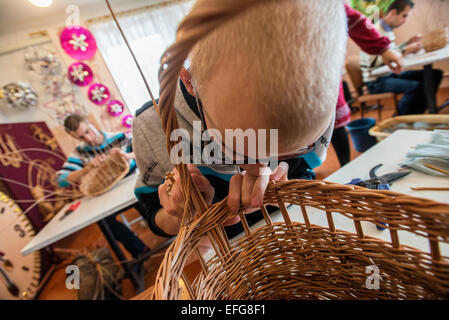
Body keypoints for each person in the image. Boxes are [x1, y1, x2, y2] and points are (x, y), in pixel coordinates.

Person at [132, 0, 348, 244]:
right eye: (238, 148)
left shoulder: (317, 92)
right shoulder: (153, 126)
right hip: (221, 253)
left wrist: (286, 181)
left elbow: (304, 173)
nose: (260, 167)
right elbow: (155, 219)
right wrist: (180, 212)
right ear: (191, 82)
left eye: (292, 148)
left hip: (294, 233)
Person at [56, 114, 149, 265]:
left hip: (132, 186)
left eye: (87, 131)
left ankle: (163, 232)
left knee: (145, 200)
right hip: (107, 197)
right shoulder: (80, 153)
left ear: (90, 122)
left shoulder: (119, 138)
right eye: (81, 137)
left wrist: (125, 155)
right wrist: (86, 168)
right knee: (105, 222)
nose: (88, 139)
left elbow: (143, 152)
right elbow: (60, 180)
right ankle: (140, 250)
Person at [332, 4, 403, 167]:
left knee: (336, 125)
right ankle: (278, 173)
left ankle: (345, 167)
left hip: (323, 76)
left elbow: (353, 19)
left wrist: (383, 48)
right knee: (271, 132)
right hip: (271, 80)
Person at [360, 0, 443, 115]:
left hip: (389, 73)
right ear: (393, 12)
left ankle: (420, 111)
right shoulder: (375, 30)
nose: (405, 21)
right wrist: (404, 50)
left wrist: (407, 43)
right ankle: (401, 117)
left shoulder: (387, 29)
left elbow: (387, 51)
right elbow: (373, 63)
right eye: (404, 16)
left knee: (435, 74)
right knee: (415, 87)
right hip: (376, 80)